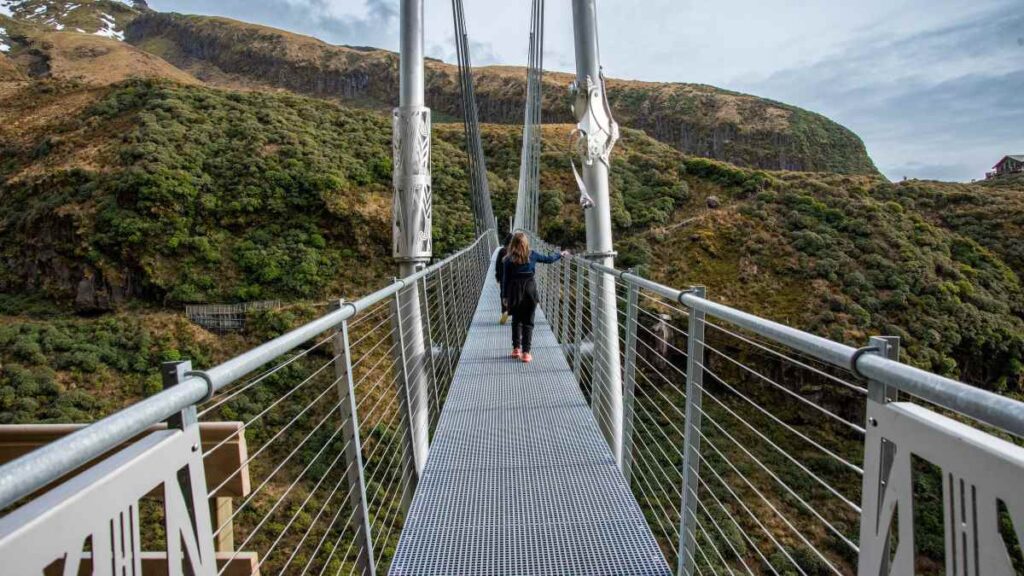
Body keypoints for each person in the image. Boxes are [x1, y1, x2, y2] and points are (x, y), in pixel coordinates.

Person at [501, 232, 568, 363]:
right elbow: (548, 259)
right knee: (528, 322)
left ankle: (516, 349)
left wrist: (504, 296)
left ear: (512, 243)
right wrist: (560, 254)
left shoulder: (507, 260)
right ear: (526, 243)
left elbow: (505, 280)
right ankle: (526, 353)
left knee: (516, 320)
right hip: (530, 291)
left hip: (514, 292)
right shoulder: (532, 255)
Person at [495, 233, 513, 324]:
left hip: (503, 277)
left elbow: (497, 264)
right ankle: (515, 313)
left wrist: (497, 276)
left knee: (503, 294)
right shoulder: (516, 251)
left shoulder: (502, 251)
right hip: (514, 278)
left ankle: (504, 312)